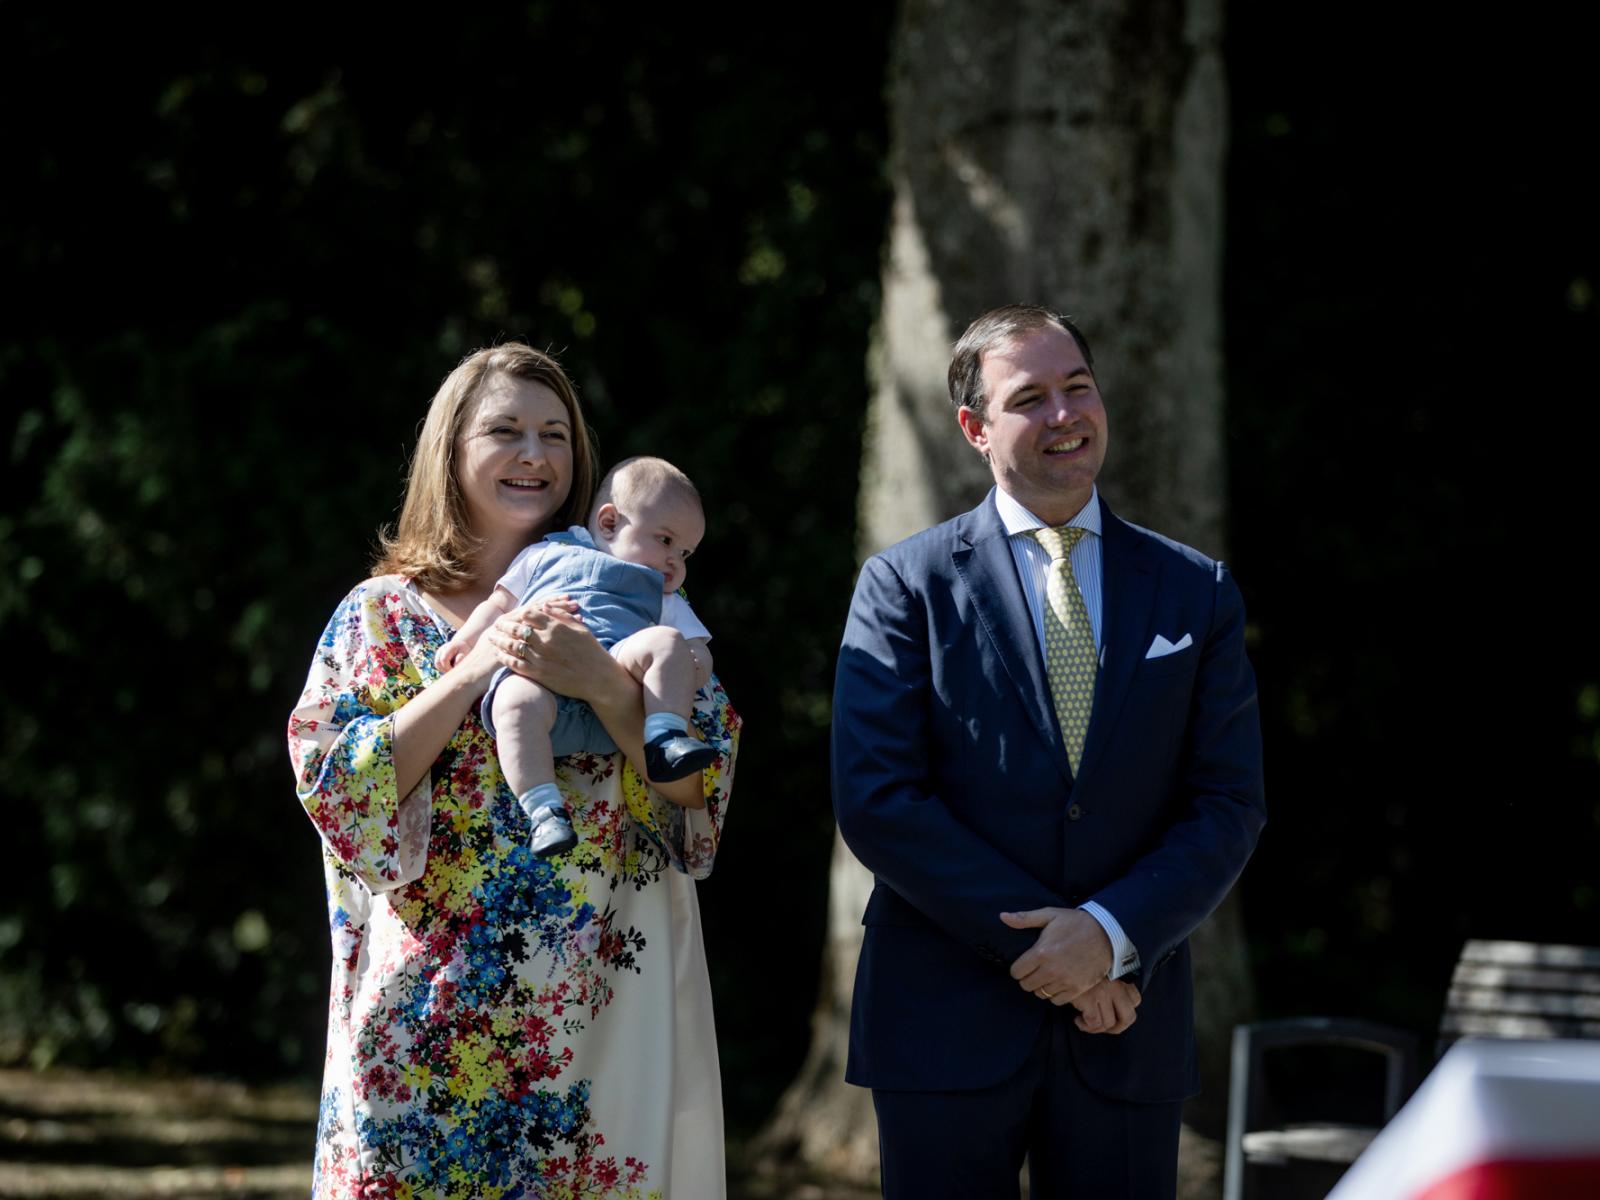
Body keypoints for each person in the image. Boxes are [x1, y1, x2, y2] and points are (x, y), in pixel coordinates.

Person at [832, 304, 1265, 1198]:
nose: (1066, 414)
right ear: (975, 429)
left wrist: (1108, 938)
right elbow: (879, 798)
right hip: (941, 1025)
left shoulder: (1195, 589)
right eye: (1030, 397)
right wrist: (1060, 954)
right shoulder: (903, 584)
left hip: (1126, 1028)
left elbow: (1227, 804)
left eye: (1079, 386)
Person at [287, 343, 740, 1200]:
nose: (536, 455)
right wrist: (471, 669)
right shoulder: (380, 616)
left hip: (598, 1024)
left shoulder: (648, 602)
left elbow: (700, 796)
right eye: (506, 431)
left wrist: (602, 682)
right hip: (426, 1025)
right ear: (451, 451)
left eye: (555, 434)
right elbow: (341, 789)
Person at [437, 456, 717, 856]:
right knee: (512, 700)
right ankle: (544, 812)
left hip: (621, 690)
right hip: (542, 689)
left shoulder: (660, 591)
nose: (675, 562)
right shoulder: (544, 555)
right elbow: (498, 607)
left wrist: (695, 665)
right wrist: (465, 641)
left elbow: (693, 645)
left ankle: (665, 735)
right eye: (666, 541)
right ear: (609, 523)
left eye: (686, 553)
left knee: (667, 641)